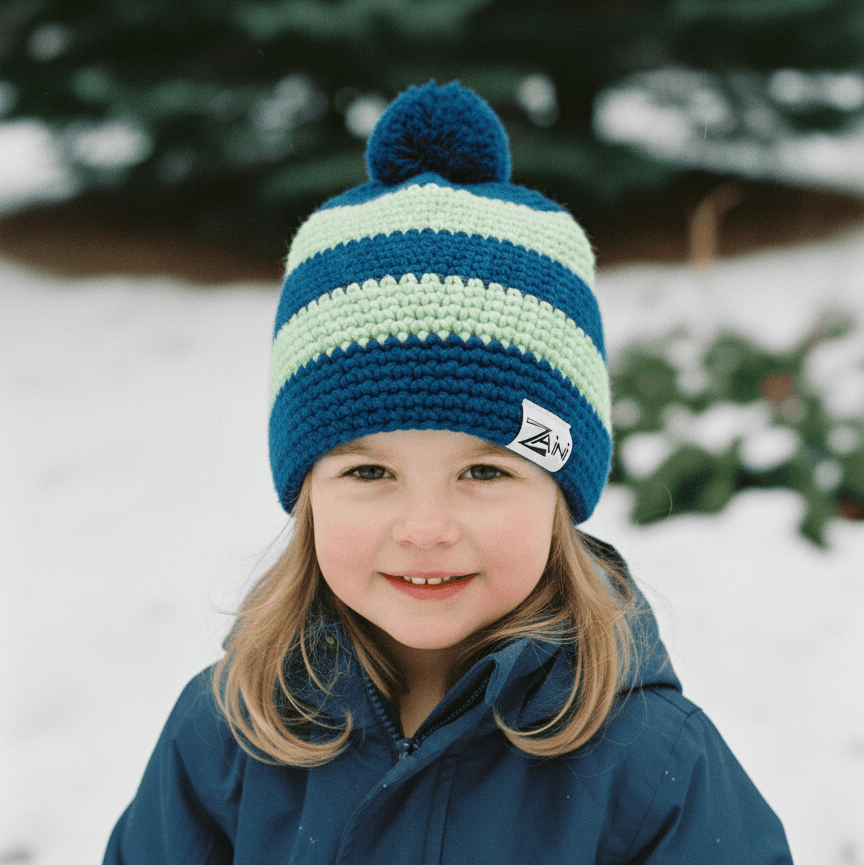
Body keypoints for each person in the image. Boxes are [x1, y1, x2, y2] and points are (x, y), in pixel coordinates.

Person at [103, 81, 793, 864]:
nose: (425, 527)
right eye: (368, 472)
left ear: (559, 493)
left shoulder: (651, 762)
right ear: (307, 495)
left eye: (484, 473)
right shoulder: (229, 733)